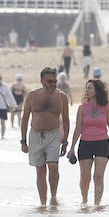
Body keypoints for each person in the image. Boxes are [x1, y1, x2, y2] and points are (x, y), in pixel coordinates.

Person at [20, 67, 70, 206]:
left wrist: (65, 141)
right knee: (40, 170)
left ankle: (53, 196)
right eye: (49, 81)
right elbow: (25, 118)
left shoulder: (61, 97)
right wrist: (23, 141)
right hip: (35, 135)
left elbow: (66, 120)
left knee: (53, 166)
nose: (53, 84)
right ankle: (43, 203)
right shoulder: (32, 95)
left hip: (53, 135)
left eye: (54, 81)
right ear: (42, 81)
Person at [69, 78, 109, 205]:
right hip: (85, 143)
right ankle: (84, 201)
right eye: (86, 88)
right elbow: (78, 128)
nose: (87, 90)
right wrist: (72, 147)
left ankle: (97, 204)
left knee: (98, 176)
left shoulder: (106, 107)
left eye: (90, 88)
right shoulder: (82, 107)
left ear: (97, 90)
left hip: (102, 143)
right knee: (85, 176)